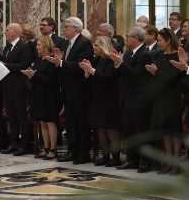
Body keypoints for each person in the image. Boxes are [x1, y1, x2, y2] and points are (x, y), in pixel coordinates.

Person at [47, 17, 94, 164]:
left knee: (81, 122)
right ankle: (72, 151)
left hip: (79, 89)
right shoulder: (66, 42)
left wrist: (61, 62)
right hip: (67, 88)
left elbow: (81, 65)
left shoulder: (84, 43)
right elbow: (66, 64)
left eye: (66, 27)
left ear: (75, 28)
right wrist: (59, 62)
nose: (64, 29)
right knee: (70, 123)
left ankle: (83, 153)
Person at [110, 26, 154, 173]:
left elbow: (136, 75)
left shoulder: (144, 54)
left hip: (139, 99)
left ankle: (145, 161)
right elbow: (123, 75)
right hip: (127, 98)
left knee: (141, 131)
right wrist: (118, 64)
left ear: (136, 38)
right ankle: (132, 159)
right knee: (130, 132)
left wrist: (120, 63)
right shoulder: (129, 53)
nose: (126, 38)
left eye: (128, 36)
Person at [145, 28, 183, 174]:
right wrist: (152, 72)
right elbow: (159, 77)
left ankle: (176, 164)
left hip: (172, 97)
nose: (158, 43)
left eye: (160, 40)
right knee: (165, 131)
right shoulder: (160, 55)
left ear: (168, 40)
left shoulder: (177, 55)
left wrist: (156, 72)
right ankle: (168, 162)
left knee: (174, 131)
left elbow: (172, 78)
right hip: (159, 96)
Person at [79, 36, 122, 167]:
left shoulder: (110, 60)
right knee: (101, 128)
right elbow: (92, 79)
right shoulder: (97, 59)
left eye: (97, 46)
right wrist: (87, 73)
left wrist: (91, 70)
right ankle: (105, 156)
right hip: (97, 98)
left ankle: (116, 158)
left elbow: (108, 78)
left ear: (103, 47)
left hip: (109, 99)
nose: (94, 48)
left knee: (110, 129)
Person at [21, 36, 60, 160]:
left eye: (39, 45)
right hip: (37, 94)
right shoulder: (38, 60)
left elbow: (50, 80)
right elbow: (34, 75)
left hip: (49, 95)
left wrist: (35, 75)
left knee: (50, 121)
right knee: (42, 121)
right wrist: (30, 75)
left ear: (46, 46)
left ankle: (53, 149)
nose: (37, 47)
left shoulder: (52, 61)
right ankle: (46, 147)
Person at [0, 23, 34, 156]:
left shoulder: (23, 47)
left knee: (21, 116)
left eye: (7, 30)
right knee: (12, 116)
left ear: (15, 32)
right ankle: (14, 143)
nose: (5, 32)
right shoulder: (7, 47)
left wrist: (5, 65)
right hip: (8, 86)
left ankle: (26, 145)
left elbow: (24, 65)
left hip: (19, 86)